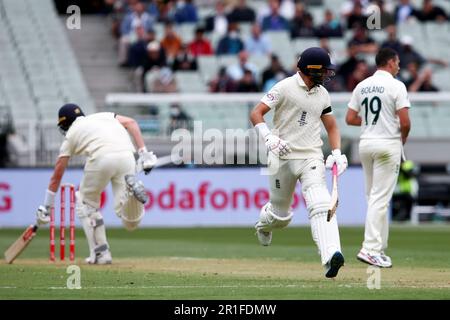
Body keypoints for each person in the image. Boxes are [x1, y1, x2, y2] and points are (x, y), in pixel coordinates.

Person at [250, 47, 348, 278]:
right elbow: (256, 113)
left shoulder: (322, 93)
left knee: (321, 203)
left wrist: (336, 152)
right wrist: (269, 138)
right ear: (311, 70)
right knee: (280, 217)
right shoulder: (284, 87)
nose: (326, 75)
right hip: (281, 156)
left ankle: (331, 255)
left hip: (311, 156)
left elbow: (332, 126)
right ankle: (264, 225)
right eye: (323, 71)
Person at [35, 104, 158, 264]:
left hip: (101, 158)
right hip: (127, 156)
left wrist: (47, 207)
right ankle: (132, 197)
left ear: (65, 124)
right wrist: (144, 154)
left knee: (84, 203)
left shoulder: (71, 134)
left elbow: (57, 174)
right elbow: (131, 123)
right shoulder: (105, 115)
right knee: (129, 222)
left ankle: (101, 254)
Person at [345, 48, 411, 268]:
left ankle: (378, 248)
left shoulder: (362, 85)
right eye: (398, 62)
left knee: (373, 198)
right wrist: (401, 140)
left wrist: (371, 124)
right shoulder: (396, 85)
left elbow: (350, 118)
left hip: (366, 144)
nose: (399, 66)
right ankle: (370, 249)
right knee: (380, 200)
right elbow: (405, 122)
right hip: (387, 144)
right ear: (390, 62)